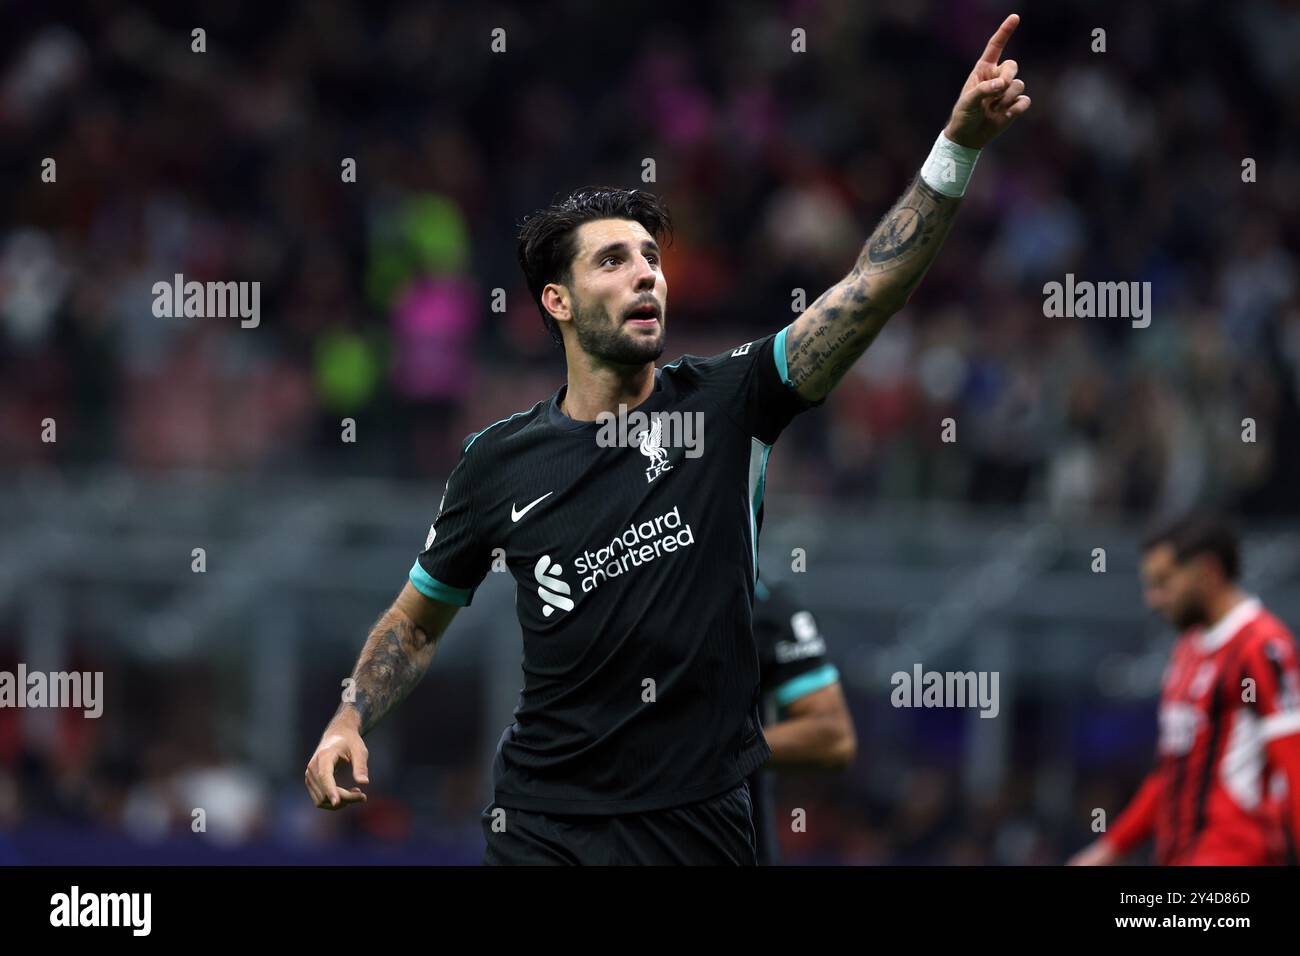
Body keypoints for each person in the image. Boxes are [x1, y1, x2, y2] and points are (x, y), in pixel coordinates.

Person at [305, 14, 1031, 864]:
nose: (646, 270)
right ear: (558, 303)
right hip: (544, 825)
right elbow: (416, 623)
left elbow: (869, 290)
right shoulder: (498, 461)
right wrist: (347, 716)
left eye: (650, 255)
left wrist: (957, 146)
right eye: (613, 260)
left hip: (699, 828)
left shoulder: (732, 402)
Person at [1068, 514, 1300, 866]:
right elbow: (1171, 773)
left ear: (1207, 572)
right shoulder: (1187, 651)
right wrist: (1109, 848)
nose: (1153, 599)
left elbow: (1293, 763)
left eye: (1164, 582)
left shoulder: (1262, 646)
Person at [748, 573, 856, 865]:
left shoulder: (764, 604)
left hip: (733, 845)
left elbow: (834, 736)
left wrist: (712, 748)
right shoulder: (625, 588)